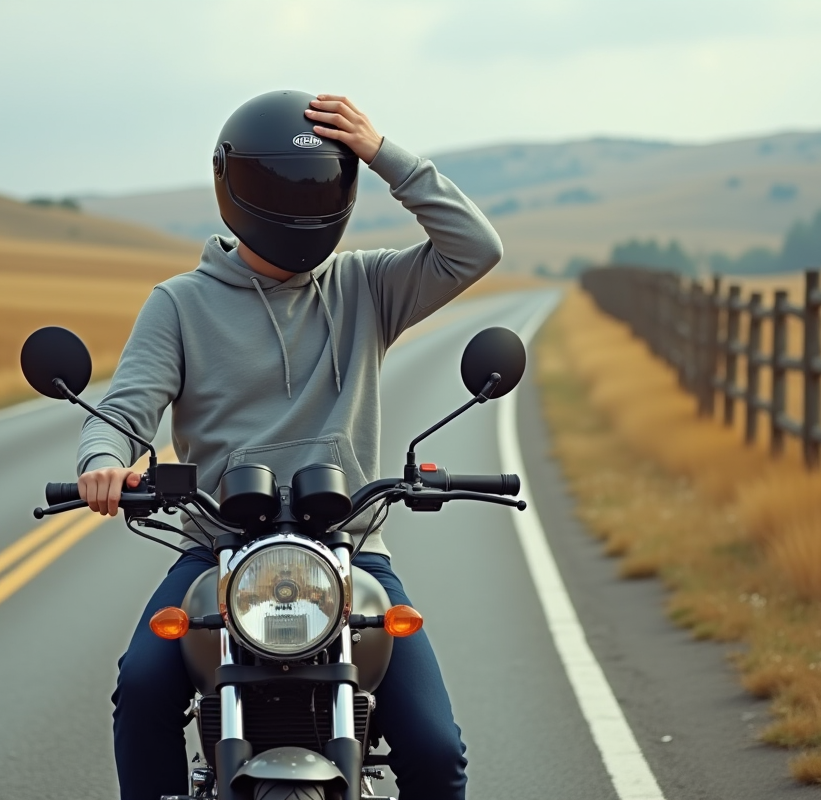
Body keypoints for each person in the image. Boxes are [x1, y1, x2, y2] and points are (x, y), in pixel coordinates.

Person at [76, 90, 503, 800]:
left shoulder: (367, 285)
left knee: (434, 751)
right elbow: (123, 412)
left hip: (352, 554)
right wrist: (103, 463)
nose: (304, 203)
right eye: (285, 185)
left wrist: (383, 153)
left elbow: (475, 248)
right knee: (142, 690)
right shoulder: (180, 303)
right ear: (238, 187)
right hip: (217, 553)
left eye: (324, 182)